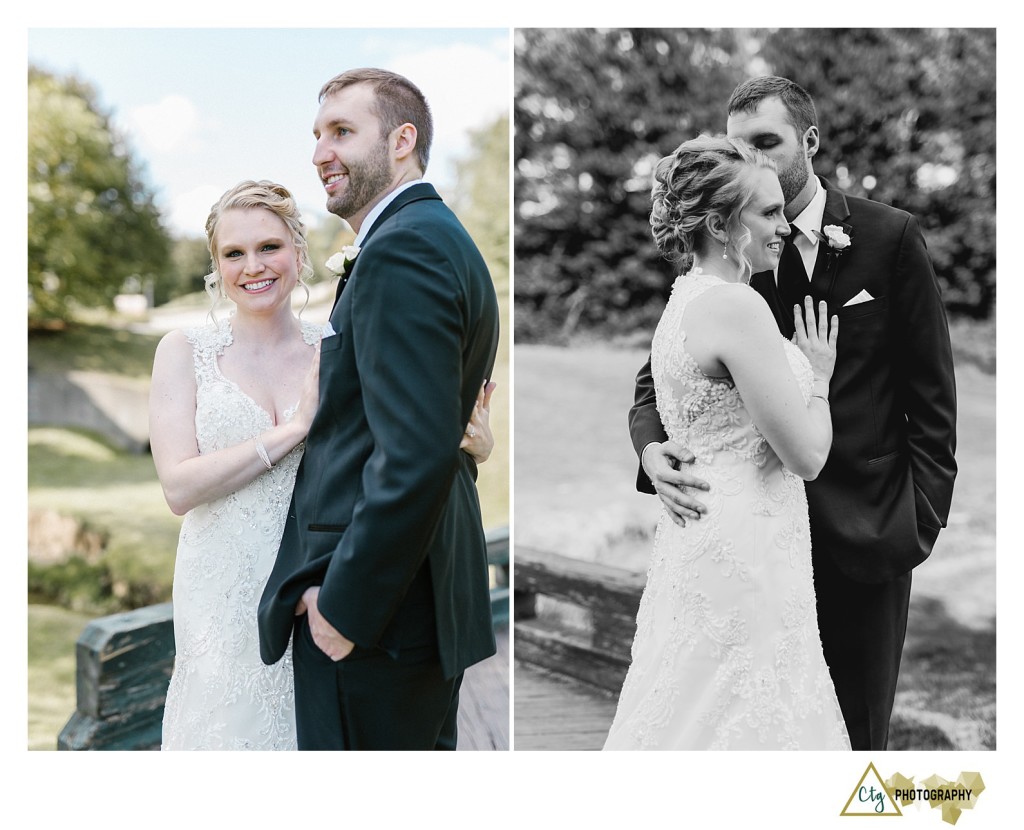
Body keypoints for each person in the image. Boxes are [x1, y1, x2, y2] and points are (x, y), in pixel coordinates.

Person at [628, 77, 957, 751]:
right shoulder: (731, 257)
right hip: (752, 548)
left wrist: (912, 526)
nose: (750, 157)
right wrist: (649, 451)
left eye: (766, 142)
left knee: (856, 749)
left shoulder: (889, 239)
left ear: (808, 141)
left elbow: (933, 401)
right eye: (737, 143)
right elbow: (654, 385)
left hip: (862, 539)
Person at [150, 180, 494, 750]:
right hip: (221, 588)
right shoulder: (183, 351)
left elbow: (403, 443)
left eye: (270, 247)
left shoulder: (336, 341)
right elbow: (178, 486)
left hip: (319, 582)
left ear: (299, 252)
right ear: (215, 266)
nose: (253, 266)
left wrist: (473, 446)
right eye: (234, 253)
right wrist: (293, 428)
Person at [258, 68, 501, 751]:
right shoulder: (434, 234)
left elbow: (414, 455)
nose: (319, 154)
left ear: (402, 141)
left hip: (378, 621)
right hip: (415, 605)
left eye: (341, 132)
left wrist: (344, 608)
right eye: (315, 136)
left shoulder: (405, 248)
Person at [602, 134, 849, 750]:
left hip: (704, 536)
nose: (783, 227)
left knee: (695, 707)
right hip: (748, 544)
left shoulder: (685, 299)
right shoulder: (737, 306)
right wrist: (817, 377)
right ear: (718, 223)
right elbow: (808, 456)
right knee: (747, 715)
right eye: (767, 213)